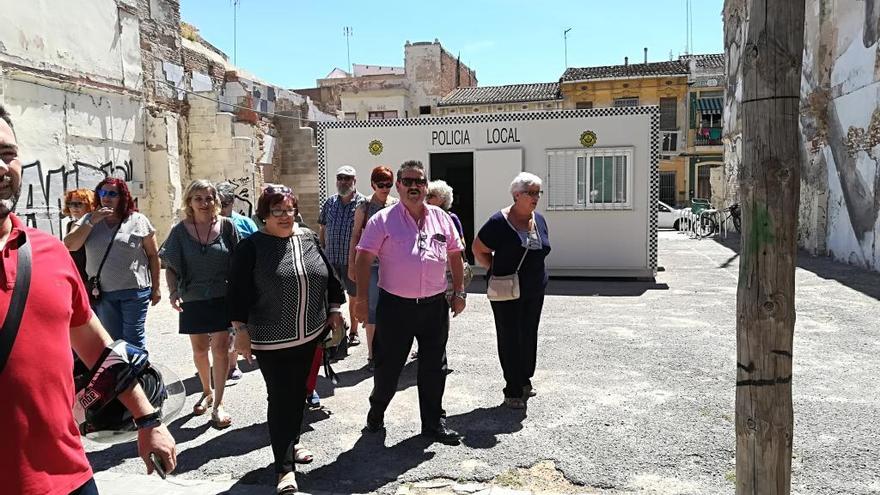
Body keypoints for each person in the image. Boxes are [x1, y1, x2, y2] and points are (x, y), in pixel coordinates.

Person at [0, 104, 177, 495]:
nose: (1, 166)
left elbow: (99, 350)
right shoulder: (76, 234)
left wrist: (147, 420)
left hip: (69, 476)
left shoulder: (48, 253)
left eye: (7, 153)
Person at [228, 184, 345, 494]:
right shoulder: (251, 247)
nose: (284, 216)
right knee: (281, 398)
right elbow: (236, 294)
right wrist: (240, 332)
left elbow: (329, 276)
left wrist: (335, 310)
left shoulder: (307, 238)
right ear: (264, 214)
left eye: (289, 209)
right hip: (271, 340)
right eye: (276, 210)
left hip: (309, 335)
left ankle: (291, 442)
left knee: (298, 395)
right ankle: (284, 471)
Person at [354, 160, 466, 445]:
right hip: (396, 307)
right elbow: (364, 256)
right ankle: (376, 412)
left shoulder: (441, 218)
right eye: (408, 181)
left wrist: (460, 291)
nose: (414, 186)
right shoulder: (382, 219)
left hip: (433, 305)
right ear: (399, 185)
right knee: (388, 367)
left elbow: (455, 254)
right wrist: (361, 300)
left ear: (425, 185)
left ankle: (433, 423)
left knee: (434, 367)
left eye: (419, 181)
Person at [159, 180, 238, 429]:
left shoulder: (227, 226)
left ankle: (219, 405)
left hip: (222, 296)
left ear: (216, 201)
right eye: (198, 199)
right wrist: (173, 292)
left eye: (209, 198)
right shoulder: (180, 231)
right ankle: (206, 391)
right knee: (200, 349)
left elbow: (240, 261)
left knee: (221, 349)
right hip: (192, 296)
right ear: (189, 202)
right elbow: (170, 266)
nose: (204, 203)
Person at [472, 172, 551, 409]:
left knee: (528, 334)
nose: (536, 197)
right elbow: (478, 249)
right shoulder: (499, 222)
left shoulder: (540, 220)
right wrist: (497, 271)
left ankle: (525, 378)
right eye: (531, 193)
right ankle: (513, 388)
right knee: (510, 337)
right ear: (517, 195)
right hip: (506, 292)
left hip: (535, 290)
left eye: (538, 192)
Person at [64, 177, 161, 349]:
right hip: (103, 293)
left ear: (122, 197)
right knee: (112, 341)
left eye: (112, 193)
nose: (106, 197)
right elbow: (70, 245)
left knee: (134, 340)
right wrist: (92, 221)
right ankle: (120, 375)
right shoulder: (88, 219)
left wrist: (156, 287)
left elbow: (153, 255)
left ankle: (138, 375)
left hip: (135, 292)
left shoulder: (137, 220)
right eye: (102, 193)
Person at [347, 166, 398, 371]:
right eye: (381, 184)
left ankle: (392, 353)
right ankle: (372, 355)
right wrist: (352, 264)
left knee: (394, 310)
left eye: (388, 184)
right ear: (372, 185)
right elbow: (355, 236)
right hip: (372, 265)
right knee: (372, 310)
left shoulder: (396, 205)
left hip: (394, 265)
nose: (385, 188)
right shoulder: (364, 206)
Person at [319, 165, 366, 346]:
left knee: (353, 296)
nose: (344, 182)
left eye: (348, 178)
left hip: (352, 261)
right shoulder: (329, 202)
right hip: (331, 259)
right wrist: (321, 250)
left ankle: (354, 331)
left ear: (355, 181)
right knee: (331, 299)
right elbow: (323, 228)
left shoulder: (363, 204)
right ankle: (337, 330)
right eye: (340, 178)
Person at [217, 182, 258, 381]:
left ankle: (232, 366)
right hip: (217, 283)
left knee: (235, 324)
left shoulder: (245, 223)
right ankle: (222, 361)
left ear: (232, 202)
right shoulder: (209, 225)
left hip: (242, 281)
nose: (221, 208)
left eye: (225, 204)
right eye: (218, 203)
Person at [63, 188, 97, 285]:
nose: (74, 207)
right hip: (75, 273)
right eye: (71, 204)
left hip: (89, 276)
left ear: (89, 205)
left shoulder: (93, 224)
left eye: (79, 204)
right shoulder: (70, 225)